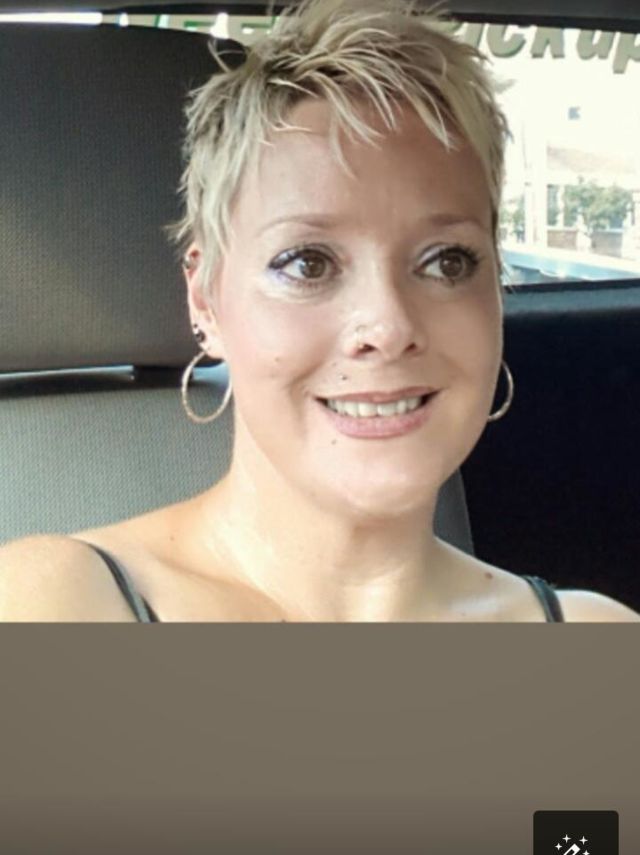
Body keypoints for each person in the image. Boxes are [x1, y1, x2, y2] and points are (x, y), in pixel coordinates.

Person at [1, 0, 638, 623]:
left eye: (447, 262)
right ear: (206, 300)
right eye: (307, 263)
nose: (388, 327)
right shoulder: (52, 601)